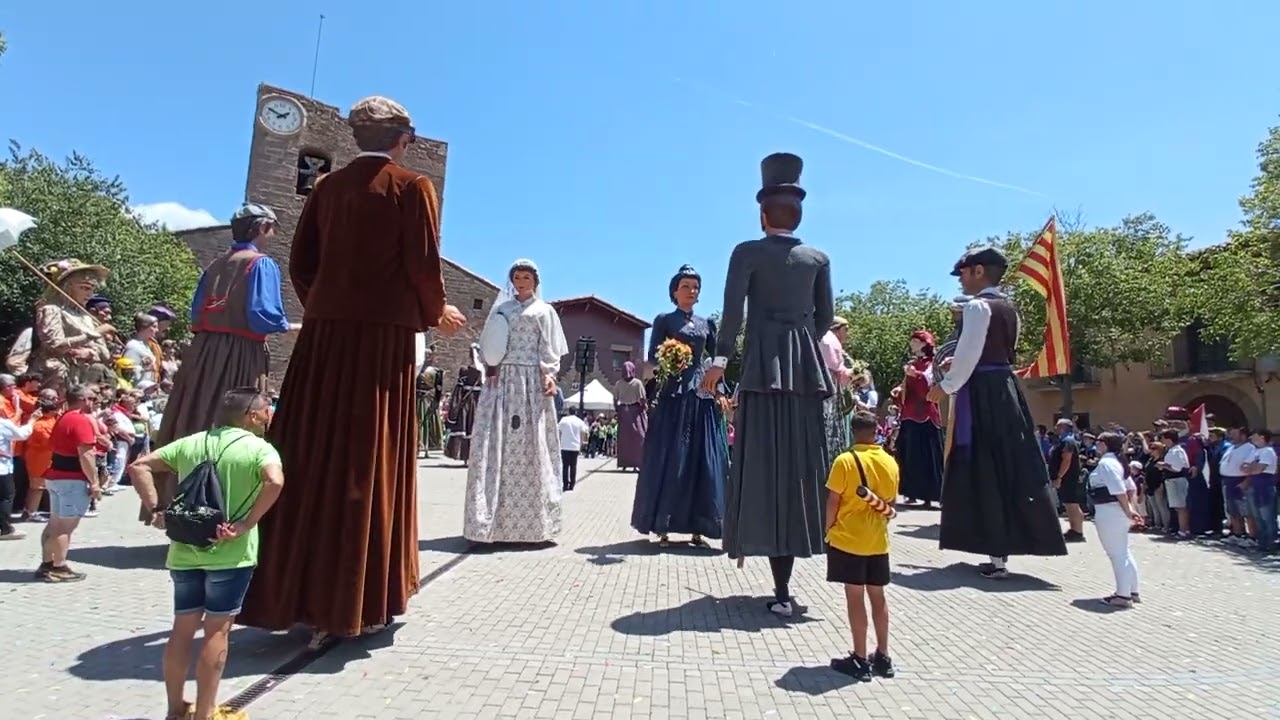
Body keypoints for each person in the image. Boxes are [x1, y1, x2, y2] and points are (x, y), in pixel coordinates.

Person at [239, 96, 466, 647]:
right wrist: (435, 313)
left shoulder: (325, 188)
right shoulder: (413, 188)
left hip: (323, 339)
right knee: (368, 456)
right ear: (403, 137)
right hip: (380, 342)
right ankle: (353, 602)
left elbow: (301, 263)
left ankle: (289, 592)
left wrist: (329, 305)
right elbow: (423, 263)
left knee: (310, 451)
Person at [703, 153, 837, 616]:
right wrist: (797, 342)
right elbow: (824, 318)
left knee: (760, 463)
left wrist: (720, 362)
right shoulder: (818, 258)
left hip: (763, 367)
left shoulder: (747, 252)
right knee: (803, 467)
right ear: (799, 211)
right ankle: (791, 578)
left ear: (762, 214)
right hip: (803, 371)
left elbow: (733, 314)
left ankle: (773, 575)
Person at [128, 388, 284, 720]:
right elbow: (275, 481)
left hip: (185, 550)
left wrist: (156, 510)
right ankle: (204, 713)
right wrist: (246, 523)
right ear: (251, 416)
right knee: (217, 631)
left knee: (182, 628)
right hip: (230, 553)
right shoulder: (259, 448)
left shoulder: (192, 442)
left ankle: (174, 709)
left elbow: (139, 465)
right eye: (265, 410)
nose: (269, 415)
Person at [143, 203, 293, 526]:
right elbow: (262, 315)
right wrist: (286, 325)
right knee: (239, 424)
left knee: (193, 418)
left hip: (203, 354)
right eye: (273, 228)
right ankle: (226, 508)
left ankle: (180, 504)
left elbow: (196, 314)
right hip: (241, 352)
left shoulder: (214, 265)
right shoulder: (261, 265)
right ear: (262, 228)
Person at [926, 247, 1066, 579]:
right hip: (1005, 389)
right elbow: (995, 352)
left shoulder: (976, 307)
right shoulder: (1010, 309)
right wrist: (957, 359)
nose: (960, 278)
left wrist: (944, 386)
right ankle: (1001, 550)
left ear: (977, 272)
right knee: (1009, 465)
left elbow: (972, 354)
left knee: (984, 466)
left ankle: (997, 552)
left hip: (982, 394)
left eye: (963, 272)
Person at [464, 259, 566, 543]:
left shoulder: (544, 312)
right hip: (502, 382)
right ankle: (489, 526)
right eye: (517, 277)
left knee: (532, 448)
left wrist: (549, 375)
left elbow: (549, 347)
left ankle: (533, 527)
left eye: (526, 277)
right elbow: (490, 344)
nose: (521, 282)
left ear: (535, 281)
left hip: (530, 382)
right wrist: (491, 366)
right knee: (494, 445)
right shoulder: (502, 310)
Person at [631, 265, 729, 547]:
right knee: (671, 455)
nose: (692, 291)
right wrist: (668, 362)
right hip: (673, 393)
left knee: (702, 458)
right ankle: (664, 523)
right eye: (686, 286)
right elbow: (652, 357)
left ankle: (701, 525)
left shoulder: (706, 323)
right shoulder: (664, 320)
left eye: (696, 286)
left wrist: (720, 390)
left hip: (701, 393)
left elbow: (717, 360)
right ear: (675, 291)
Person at [824, 411, 898, 680]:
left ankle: (859, 657)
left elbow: (833, 500)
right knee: (878, 597)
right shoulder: (890, 462)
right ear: (876, 430)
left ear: (853, 432)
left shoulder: (845, 461)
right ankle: (883, 655)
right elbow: (891, 503)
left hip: (849, 539)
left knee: (855, 598)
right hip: (878, 541)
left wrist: (828, 528)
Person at [35, 384, 102, 582]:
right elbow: (86, 454)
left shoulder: (64, 417)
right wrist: (95, 483)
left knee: (54, 524)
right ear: (82, 399)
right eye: (91, 398)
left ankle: (47, 563)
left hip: (56, 477)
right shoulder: (79, 420)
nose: (94, 402)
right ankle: (59, 566)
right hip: (71, 480)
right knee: (64, 527)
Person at [26, 259, 116, 392]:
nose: (89, 294)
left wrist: (90, 352)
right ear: (67, 286)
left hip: (83, 377)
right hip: (54, 374)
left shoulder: (86, 316)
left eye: (92, 289)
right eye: (84, 288)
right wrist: (93, 333)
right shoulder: (51, 310)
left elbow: (103, 352)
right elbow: (54, 345)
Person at [1086, 431, 1142, 608]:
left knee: (1116, 554)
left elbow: (1119, 490)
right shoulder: (1119, 462)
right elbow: (1131, 489)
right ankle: (1132, 590)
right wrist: (1131, 510)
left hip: (1109, 511)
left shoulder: (1106, 463)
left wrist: (1128, 511)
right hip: (1116, 511)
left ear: (1104, 443)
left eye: (1098, 441)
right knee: (1123, 551)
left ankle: (1122, 595)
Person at [894, 330, 943, 508]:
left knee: (927, 455)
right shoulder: (912, 364)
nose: (912, 344)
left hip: (926, 416)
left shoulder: (932, 364)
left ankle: (930, 495)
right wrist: (899, 392)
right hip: (909, 415)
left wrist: (917, 376)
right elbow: (907, 390)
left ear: (924, 344)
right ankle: (911, 492)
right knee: (908, 455)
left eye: (915, 341)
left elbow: (931, 388)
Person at [0, 401, 40, 540]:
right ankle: (4, 529)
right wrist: (33, 420)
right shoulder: (3, 423)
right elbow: (22, 434)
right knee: (6, 497)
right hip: (2, 469)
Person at [819, 318, 854, 461]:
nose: (847, 334)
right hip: (828, 393)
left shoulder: (820, 337)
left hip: (823, 392)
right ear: (837, 329)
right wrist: (855, 374)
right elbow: (838, 372)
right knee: (830, 433)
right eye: (845, 330)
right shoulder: (829, 341)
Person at [444, 346, 484, 464]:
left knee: (466, 428)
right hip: (480, 402)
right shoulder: (484, 372)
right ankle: (476, 457)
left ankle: (466, 458)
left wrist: (454, 410)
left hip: (467, 405)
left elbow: (458, 392)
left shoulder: (465, 371)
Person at [1049, 418, 1086, 542]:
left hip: (1069, 478)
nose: (1055, 428)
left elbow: (1067, 459)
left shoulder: (1068, 441)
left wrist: (1059, 476)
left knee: (1072, 504)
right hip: (1066, 478)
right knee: (1069, 504)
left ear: (1064, 427)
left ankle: (1077, 531)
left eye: (1058, 426)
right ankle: (1074, 529)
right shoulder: (1063, 440)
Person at [1242, 429, 1277, 552]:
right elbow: (1243, 467)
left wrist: (1252, 466)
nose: (1252, 438)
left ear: (1262, 437)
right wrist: (1253, 466)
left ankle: (1272, 543)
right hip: (1255, 485)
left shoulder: (1268, 451)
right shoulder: (1255, 451)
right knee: (1257, 517)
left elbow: (1259, 469)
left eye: (1255, 436)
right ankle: (1262, 543)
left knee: (1267, 516)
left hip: (1265, 485)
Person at [612, 361, 648, 471]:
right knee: (638, 437)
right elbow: (642, 399)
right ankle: (635, 464)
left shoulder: (619, 383)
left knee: (624, 439)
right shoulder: (637, 383)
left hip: (624, 412)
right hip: (635, 412)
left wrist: (618, 410)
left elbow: (615, 399)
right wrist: (645, 409)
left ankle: (625, 464)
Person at [1157, 428, 1192, 539]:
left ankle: (1183, 530)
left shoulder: (1177, 451)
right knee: (1178, 507)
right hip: (1172, 481)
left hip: (1177, 480)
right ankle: (1182, 529)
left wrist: (1163, 465)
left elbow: (1177, 468)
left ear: (1169, 439)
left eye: (1163, 438)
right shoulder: (1171, 450)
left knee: (1181, 507)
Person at [415, 364, 445, 457]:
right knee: (419, 422)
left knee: (429, 423)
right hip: (418, 399)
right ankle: (419, 445)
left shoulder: (436, 372)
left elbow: (438, 389)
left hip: (429, 400)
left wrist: (436, 401)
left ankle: (428, 446)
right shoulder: (416, 369)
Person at [558, 410, 589, 491]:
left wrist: (559, 441)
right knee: (573, 466)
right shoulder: (580, 422)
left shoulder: (563, 420)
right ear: (575, 412)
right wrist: (581, 444)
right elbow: (583, 433)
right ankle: (572, 484)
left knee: (565, 466)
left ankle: (565, 484)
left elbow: (559, 432)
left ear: (568, 412)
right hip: (575, 446)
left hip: (564, 446)